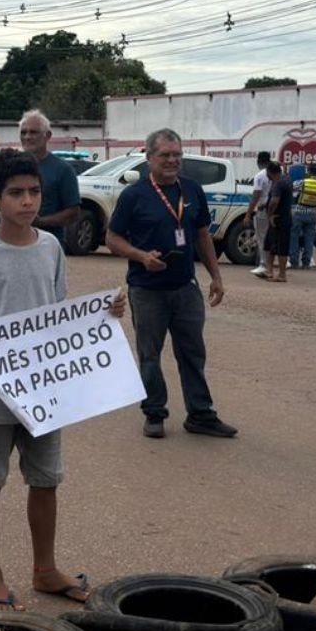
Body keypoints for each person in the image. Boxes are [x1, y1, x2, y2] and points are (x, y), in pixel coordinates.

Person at [0, 151, 117, 610]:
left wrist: (102, 315)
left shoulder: (51, 248)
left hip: (45, 392)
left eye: (34, 192)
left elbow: (61, 313)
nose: (27, 201)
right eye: (16, 193)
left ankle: (45, 569)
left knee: (46, 481)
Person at [105, 128, 235, 439]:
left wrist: (216, 276)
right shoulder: (133, 196)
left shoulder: (192, 191)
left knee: (193, 352)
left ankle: (200, 414)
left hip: (185, 287)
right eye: (165, 155)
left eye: (177, 155)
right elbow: (112, 238)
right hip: (147, 289)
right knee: (150, 354)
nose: (173, 160)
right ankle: (154, 412)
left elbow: (203, 234)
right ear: (149, 158)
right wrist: (140, 256)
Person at [17, 111, 81, 245]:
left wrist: (41, 222)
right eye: (23, 132)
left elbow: (73, 212)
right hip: (13, 243)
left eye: (33, 132)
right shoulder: (9, 167)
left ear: (48, 135)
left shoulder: (63, 170)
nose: (27, 137)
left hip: (48, 246)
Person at [290, 165, 316, 269]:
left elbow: (291, 191)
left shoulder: (301, 182)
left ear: (308, 172)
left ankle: (294, 262)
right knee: (309, 239)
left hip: (299, 212)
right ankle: (306, 263)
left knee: (294, 238)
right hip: (312, 213)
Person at [248, 152, 274, 279]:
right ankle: (272, 264)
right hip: (275, 210)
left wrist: (248, 213)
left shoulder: (259, 176)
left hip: (263, 210)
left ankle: (263, 265)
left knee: (262, 237)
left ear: (259, 161)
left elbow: (256, 195)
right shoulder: (277, 173)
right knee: (272, 237)